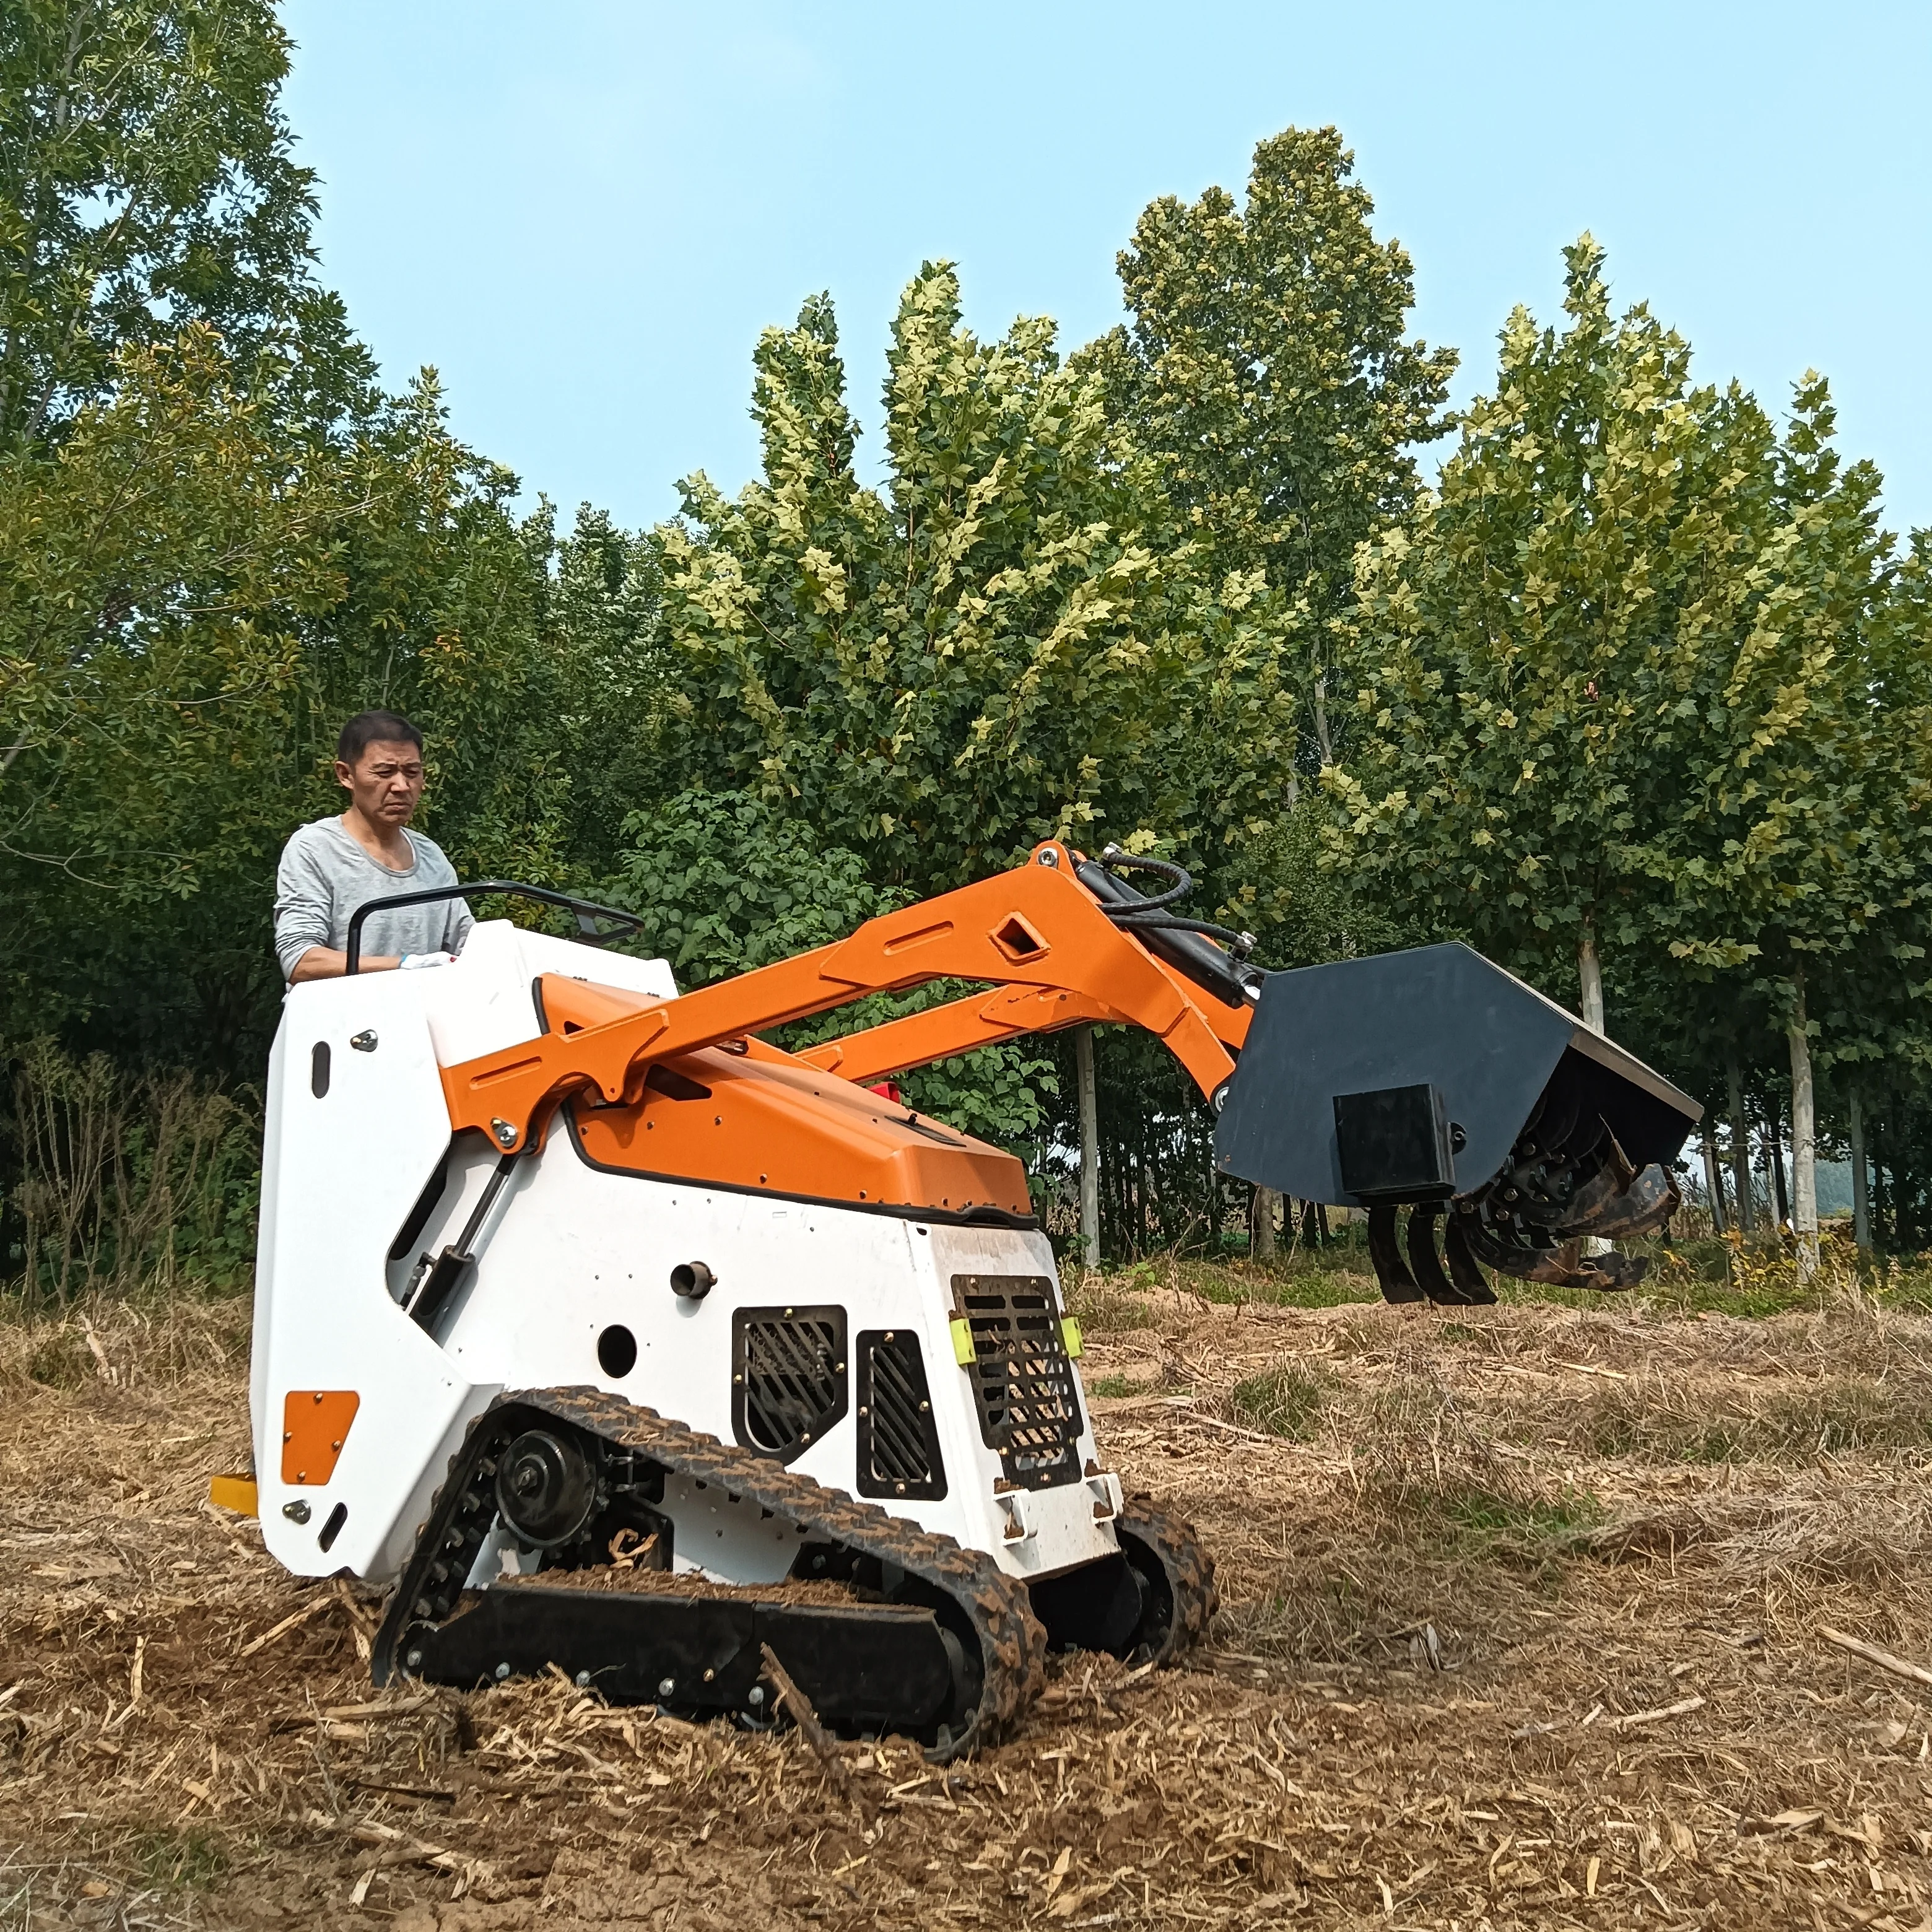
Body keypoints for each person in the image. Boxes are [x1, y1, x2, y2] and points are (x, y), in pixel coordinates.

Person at [274, 710, 474, 983]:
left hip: (421, 1009)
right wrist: (405, 965)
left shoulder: (431, 857)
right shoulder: (315, 849)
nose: (402, 786)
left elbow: (470, 950)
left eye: (412, 772)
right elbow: (300, 961)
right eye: (384, 772)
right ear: (346, 775)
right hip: (340, 1011)